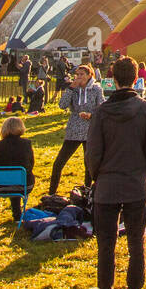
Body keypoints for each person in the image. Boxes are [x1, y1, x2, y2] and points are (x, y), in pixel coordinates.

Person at [86, 56, 146, 289]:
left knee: (106, 245)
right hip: (135, 184)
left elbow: (93, 152)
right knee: (135, 243)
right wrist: (145, 169)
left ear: (113, 79)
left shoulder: (101, 112)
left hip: (107, 185)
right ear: (136, 79)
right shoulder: (145, 109)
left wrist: (98, 175)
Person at [50, 65, 103, 195]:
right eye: (77, 74)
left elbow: (102, 108)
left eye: (82, 74)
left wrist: (91, 115)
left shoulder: (96, 89)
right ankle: (52, 192)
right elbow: (62, 105)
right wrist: (71, 88)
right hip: (74, 128)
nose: (79, 77)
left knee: (88, 164)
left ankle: (88, 191)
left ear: (89, 75)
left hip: (89, 128)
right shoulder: (73, 89)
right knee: (59, 162)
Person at [0, 116, 35, 223]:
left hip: (0, 185)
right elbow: (30, 165)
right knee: (16, 177)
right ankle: (17, 213)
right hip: (23, 185)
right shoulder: (27, 144)